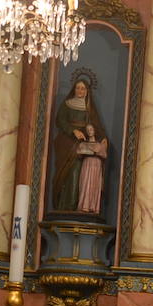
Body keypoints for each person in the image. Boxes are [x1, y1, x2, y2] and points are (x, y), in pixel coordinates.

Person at [51, 77, 107, 212]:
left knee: (83, 175)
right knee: (70, 173)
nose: (80, 91)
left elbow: (96, 125)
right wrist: (73, 130)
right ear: (74, 89)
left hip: (83, 145)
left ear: (87, 91)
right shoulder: (67, 104)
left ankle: (81, 206)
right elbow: (60, 120)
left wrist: (103, 138)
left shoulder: (89, 108)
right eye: (77, 88)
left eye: (83, 88)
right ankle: (66, 207)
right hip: (67, 143)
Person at [74, 124, 108, 214]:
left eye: (91, 129)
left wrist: (96, 152)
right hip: (87, 163)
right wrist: (88, 150)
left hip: (96, 164)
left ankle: (93, 206)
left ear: (95, 130)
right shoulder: (83, 144)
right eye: (88, 130)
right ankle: (83, 205)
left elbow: (104, 154)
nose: (89, 131)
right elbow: (79, 152)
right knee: (85, 182)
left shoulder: (99, 145)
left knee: (94, 184)